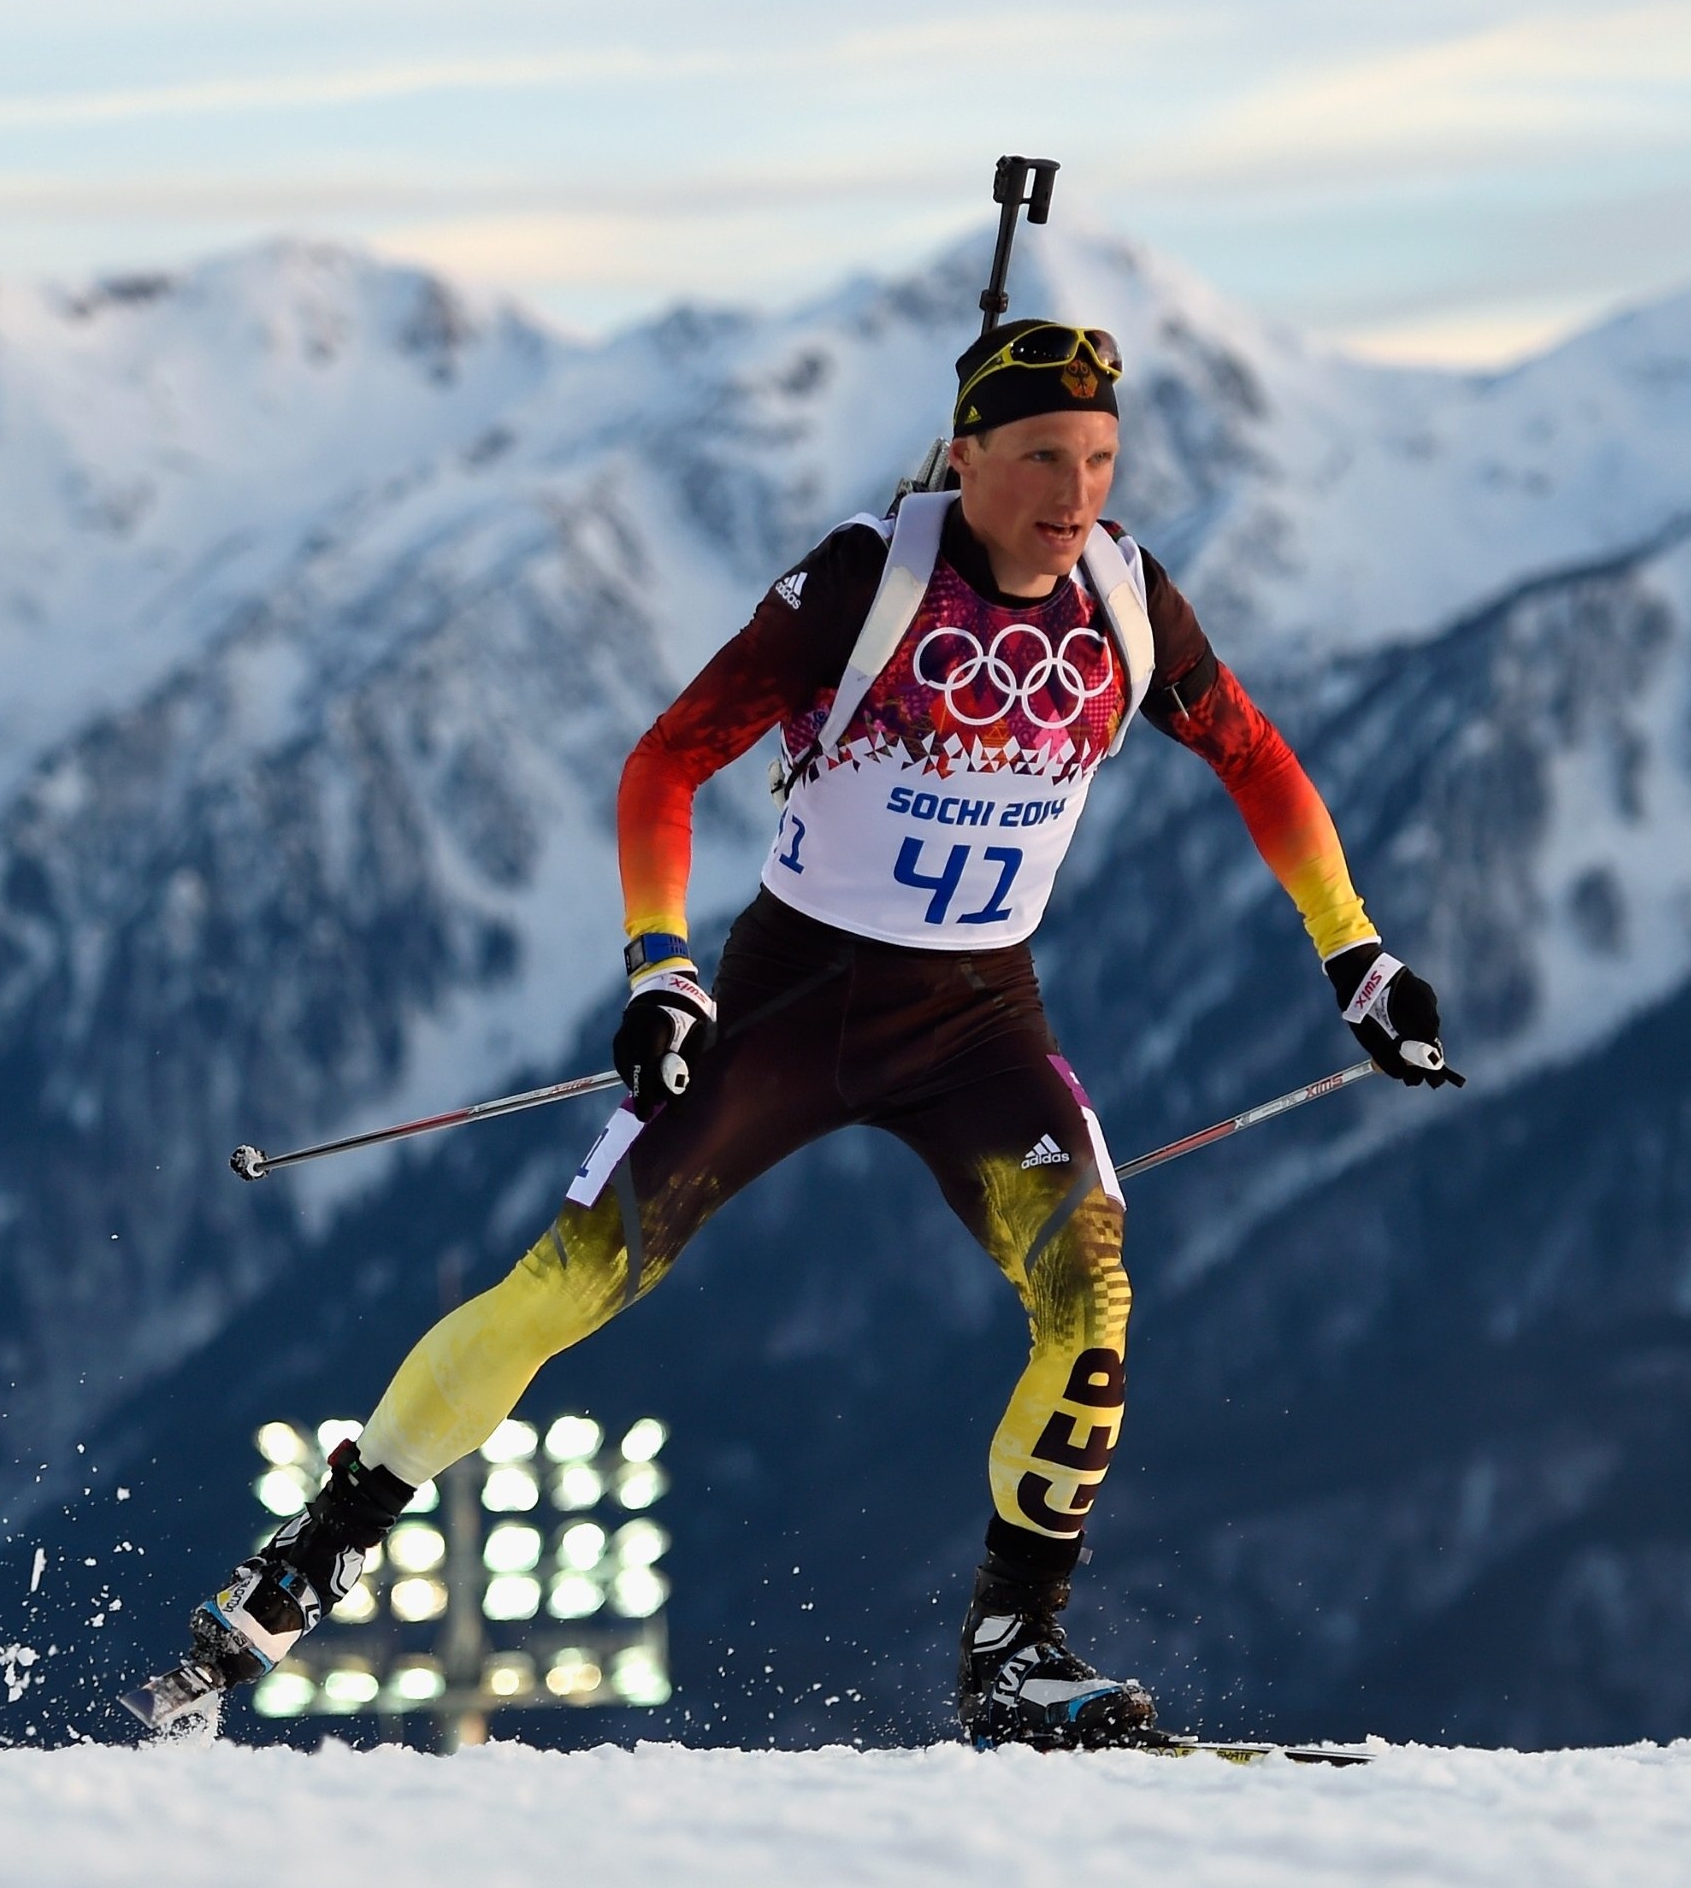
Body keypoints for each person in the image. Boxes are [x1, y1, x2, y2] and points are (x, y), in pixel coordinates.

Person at [135, 318, 1459, 1745]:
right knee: (560, 1296)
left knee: (1093, 1302)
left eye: (1098, 462)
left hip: (975, 1018)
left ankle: (1015, 1655)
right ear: (965, 458)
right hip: (789, 1002)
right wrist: (661, 968)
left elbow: (1253, 756)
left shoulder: (1128, 600)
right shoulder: (865, 580)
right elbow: (669, 758)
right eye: (1037, 462)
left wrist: (1360, 959)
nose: (1073, 497)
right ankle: (316, 1553)